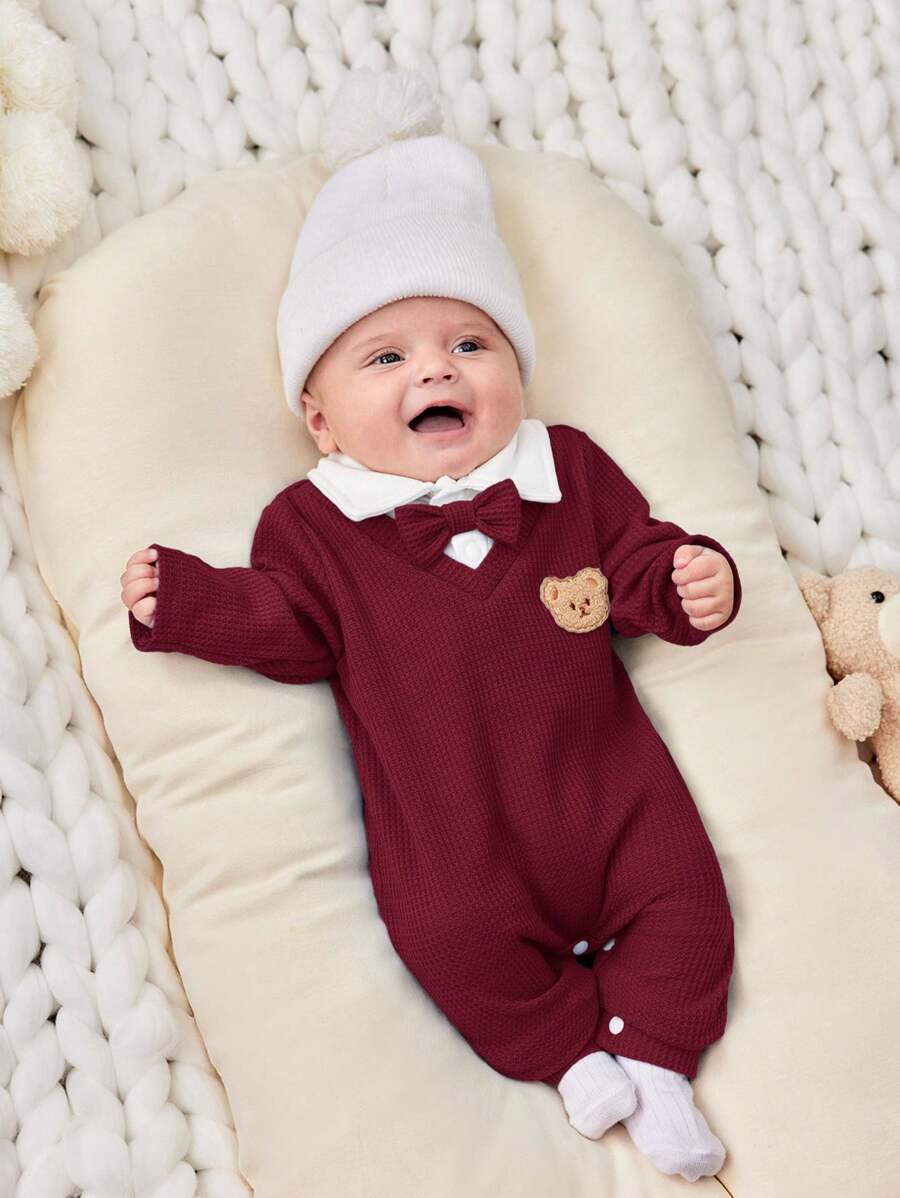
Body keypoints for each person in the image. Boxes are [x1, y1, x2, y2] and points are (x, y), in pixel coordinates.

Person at [119, 67, 742, 1184]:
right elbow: (289, 626)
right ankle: (565, 1051)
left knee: (690, 900)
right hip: (453, 834)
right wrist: (193, 599)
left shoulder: (566, 470)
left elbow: (638, 561)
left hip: (613, 794)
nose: (436, 370)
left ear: (515, 372)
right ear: (320, 419)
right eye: (387, 357)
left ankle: (656, 1055)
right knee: (447, 934)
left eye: (470, 344)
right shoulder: (312, 524)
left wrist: (693, 580)